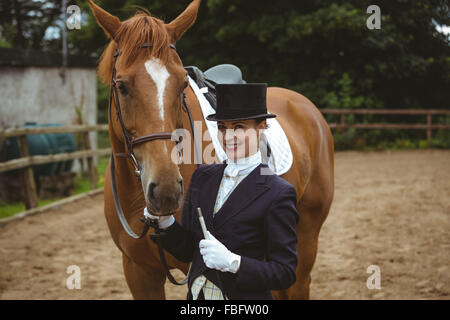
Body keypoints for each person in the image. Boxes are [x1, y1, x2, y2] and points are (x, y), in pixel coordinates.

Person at [145, 83, 299, 300]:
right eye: (223, 128)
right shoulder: (202, 177)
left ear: (261, 126)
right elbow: (189, 250)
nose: (228, 137)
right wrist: (165, 222)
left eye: (239, 128)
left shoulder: (278, 193)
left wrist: (234, 263)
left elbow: (284, 273)